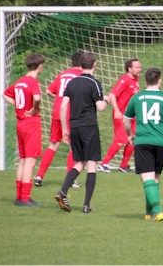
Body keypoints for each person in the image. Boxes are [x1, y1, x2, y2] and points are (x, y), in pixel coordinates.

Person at [123, 67, 163, 222]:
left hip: (143, 142)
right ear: (160, 80)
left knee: (147, 178)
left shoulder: (137, 97)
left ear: (145, 80)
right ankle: (148, 211)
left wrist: (130, 135)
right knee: (154, 178)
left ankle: (157, 211)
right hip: (162, 143)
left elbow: (126, 119)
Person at [54, 52, 109, 214]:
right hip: (89, 126)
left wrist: (65, 129)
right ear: (95, 64)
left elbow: (63, 107)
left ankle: (62, 192)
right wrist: (106, 99)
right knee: (91, 164)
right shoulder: (94, 83)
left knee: (79, 163)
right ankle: (86, 206)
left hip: (74, 126)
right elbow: (100, 107)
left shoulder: (71, 83)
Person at [3, 53, 46, 206]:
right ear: (39, 66)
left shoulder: (20, 81)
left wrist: (18, 105)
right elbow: (37, 98)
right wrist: (34, 109)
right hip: (31, 123)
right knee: (30, 161)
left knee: (22, 160)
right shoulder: (33, 82)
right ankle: (26, 198)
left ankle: (19, 197)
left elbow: (5, 94)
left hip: (20, 123)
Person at [35, 51, 83, 189]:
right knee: (74, 146)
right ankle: (71, 179)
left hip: (57, 112)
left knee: (53, 144)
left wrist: (59, 99)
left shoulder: (63, 74)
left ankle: (39, 176)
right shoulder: (80, 75)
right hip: (70, 113)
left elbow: (49, 91)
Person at [98, 59, 142, 173]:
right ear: (130, 69)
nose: (139, 69)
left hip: (132, 116)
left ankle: (124, 165)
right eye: (137, 67)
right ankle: (103, 164)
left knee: (133, 139)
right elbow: (112, 94)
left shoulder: (135, 80)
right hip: (121, 115)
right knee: (121, 139)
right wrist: (117, 111)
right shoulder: (124, 80)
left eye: (140, 67)